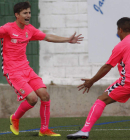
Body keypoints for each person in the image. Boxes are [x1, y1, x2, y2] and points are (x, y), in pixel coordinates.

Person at [0, 1, 83, 137]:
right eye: (25, 13)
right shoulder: (7, 29)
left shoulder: (30, 29)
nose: (28, 15)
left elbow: (48, 37)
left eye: (29, 13)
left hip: (26, 69)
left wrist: (67, 39)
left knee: (45, 95)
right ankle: (15, 118)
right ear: (17, 15)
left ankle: (44, 129)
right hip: (13, 71)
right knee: (32, 99)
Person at [67, 17, 130, 139]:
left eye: (117, 30)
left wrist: (91, 81)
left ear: (120, 30)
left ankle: (85, 130)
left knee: (102, 99)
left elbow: (107, 67)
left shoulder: (121, 45)